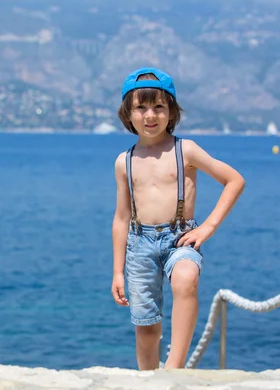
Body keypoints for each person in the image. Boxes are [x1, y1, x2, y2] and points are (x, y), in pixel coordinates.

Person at [111, 67, 245, 370]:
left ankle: (174, 368)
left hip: (180, 238)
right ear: (127, 114)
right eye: (141, 107)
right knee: (147, 328)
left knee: (186, 279)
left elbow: (234, 180)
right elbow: (121, 218)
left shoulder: (187, 150)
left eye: (159, 106)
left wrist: (208, 227)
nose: (150, 115)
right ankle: (149, 379)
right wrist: (117, 271)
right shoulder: (125, 162)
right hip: (139, 244)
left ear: (171, 111)